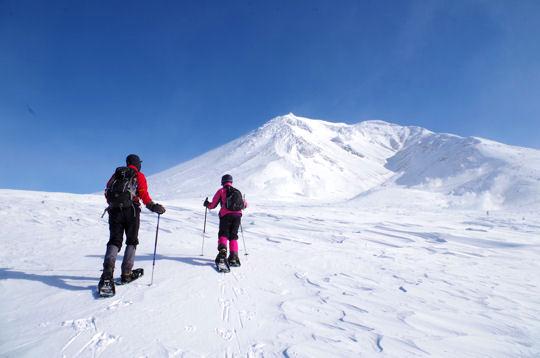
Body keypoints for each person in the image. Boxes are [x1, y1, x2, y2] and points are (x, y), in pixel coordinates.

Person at [99, 154, 165, 291]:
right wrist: (153, 206)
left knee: (114, 241)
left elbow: (107, 191)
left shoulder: (116, 174)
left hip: (114, 211)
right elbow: (143, 194)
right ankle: (126, 273)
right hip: (132, 211)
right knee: (131, 241)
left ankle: (107, 274)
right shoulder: (139, 175)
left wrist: (114, 205)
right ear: (137, 164)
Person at [204, 174, 247, 267]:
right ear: (231, 182)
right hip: (238, 215)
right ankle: (234, 257)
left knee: (223, 234)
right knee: (233, 236)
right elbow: (244, 205)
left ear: (222, 182)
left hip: (226, 215)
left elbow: (213, 205)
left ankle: (223, 254)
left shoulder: (221, 191)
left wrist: (207, 204)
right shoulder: (237, 191)